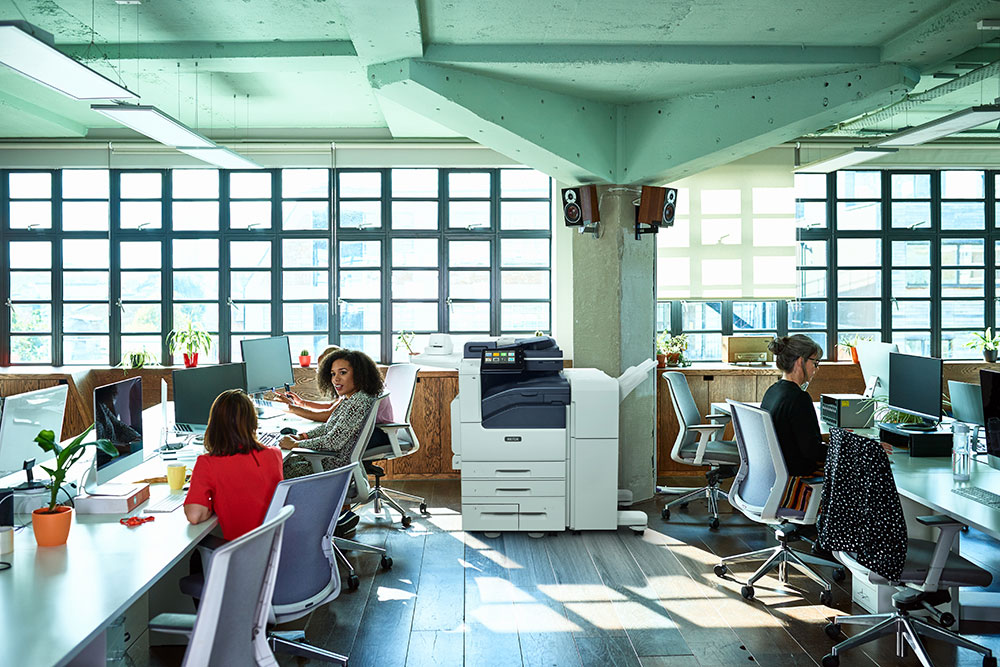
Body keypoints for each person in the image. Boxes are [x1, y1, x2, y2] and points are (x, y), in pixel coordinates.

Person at [184, 389, 284, 541]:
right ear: (253, 422)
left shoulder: (207, 463)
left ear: (214, 425)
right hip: (277, 549)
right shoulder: (274, 455)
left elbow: (194, 515)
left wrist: (214, 504)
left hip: (242, 555)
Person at [279, 348, 384, 479]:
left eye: (343, 373)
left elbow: (333, 442)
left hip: (332, 466)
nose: (335, 379)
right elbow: (329, 427)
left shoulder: (359, 402)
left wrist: (296, 444)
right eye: (333, 374)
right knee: (274, 463)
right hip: (328, 460)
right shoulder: (351, 397)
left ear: (359, 374)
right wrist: (303, 436)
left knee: (272, 470)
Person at [275, 344, 393, 425]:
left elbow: (328, 415)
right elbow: (332, 407)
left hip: (376, 434)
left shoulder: (359, 390)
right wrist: (302, 403)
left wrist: (292, 408)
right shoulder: (355, 384)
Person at [760, 334, 826, 477]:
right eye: (815, 363)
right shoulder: (799, 398)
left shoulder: (773, 390)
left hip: (775, 471)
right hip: (796, 473)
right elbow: (812, 451)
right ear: (800, 361)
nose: (816, 369)